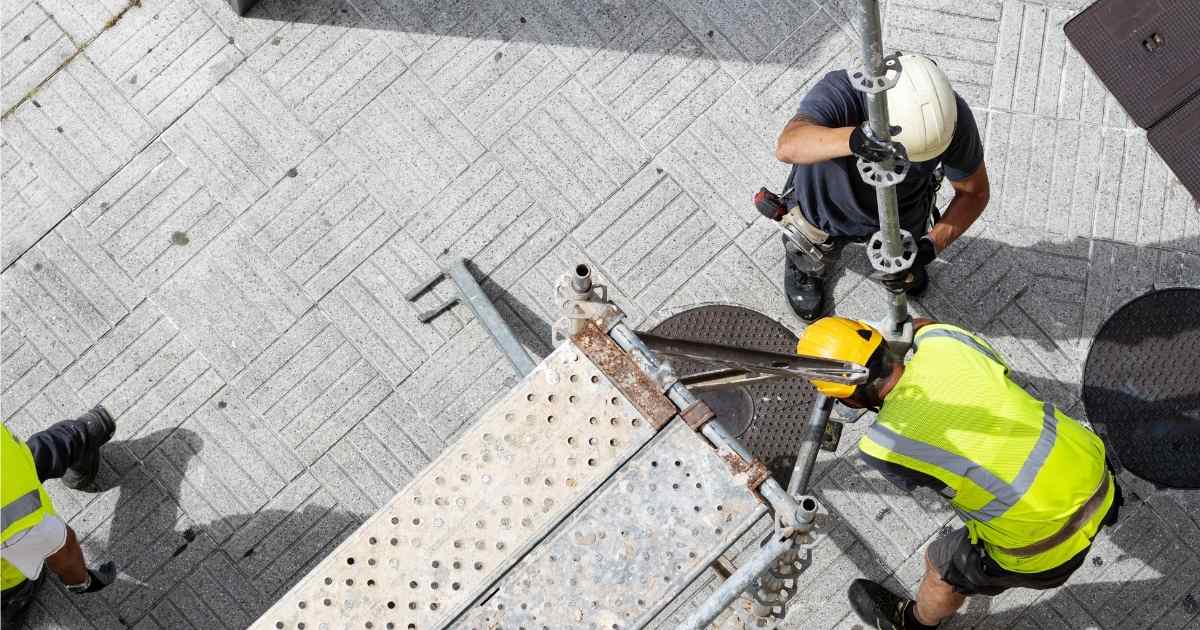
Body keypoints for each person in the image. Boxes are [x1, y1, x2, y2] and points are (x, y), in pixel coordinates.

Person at [795, 317, 1120, 629]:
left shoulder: (882, 445)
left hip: (1047, 550)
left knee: (940, 565)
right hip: (1096, 472)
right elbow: (921, 324)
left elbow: (919, 480)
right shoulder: (945, 344)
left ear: (849, 403)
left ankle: (915, 622)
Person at [773, 54, 991, 321]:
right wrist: (853, 139)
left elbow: (974, 193)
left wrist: (930, 246)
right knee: (810, 235)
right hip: (826, 203)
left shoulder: (951, 120)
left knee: (909, 256)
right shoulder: (843, 91)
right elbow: (788, 145)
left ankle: (904, 254)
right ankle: (808, 258)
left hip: (901, 214)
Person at [2, 407, 118, 625]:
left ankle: (81, 435)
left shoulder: (15, 522)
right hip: (8, 463)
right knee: (23, 465)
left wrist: (81, 582)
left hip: (11, 557)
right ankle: (80, 434)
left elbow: (61, 548)